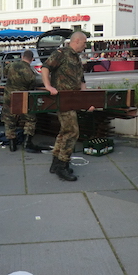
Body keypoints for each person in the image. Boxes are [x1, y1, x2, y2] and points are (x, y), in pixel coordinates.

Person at [41, 31, 93, 181]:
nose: (85, 45)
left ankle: (56, 163)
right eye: (84, 42)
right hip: (62, 99)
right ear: (77, 41)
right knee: (72, 132)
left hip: (73, 99)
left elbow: (81, 81)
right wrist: (48, 86)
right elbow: (45, 68)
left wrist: (86, 100)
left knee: (65, 131)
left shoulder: (76, 58)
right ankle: (62, 166)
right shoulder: (61, 53)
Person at [3, 50, 44, 153]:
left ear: (22, 56)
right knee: (31, 119)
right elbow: (31, 87)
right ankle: (27, 142)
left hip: (9, 96)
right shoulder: (30, 72)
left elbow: (4, 73)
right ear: (32, 59)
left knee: (9, 119)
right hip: (22, 98)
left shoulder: (11, 66)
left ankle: (12, 144)